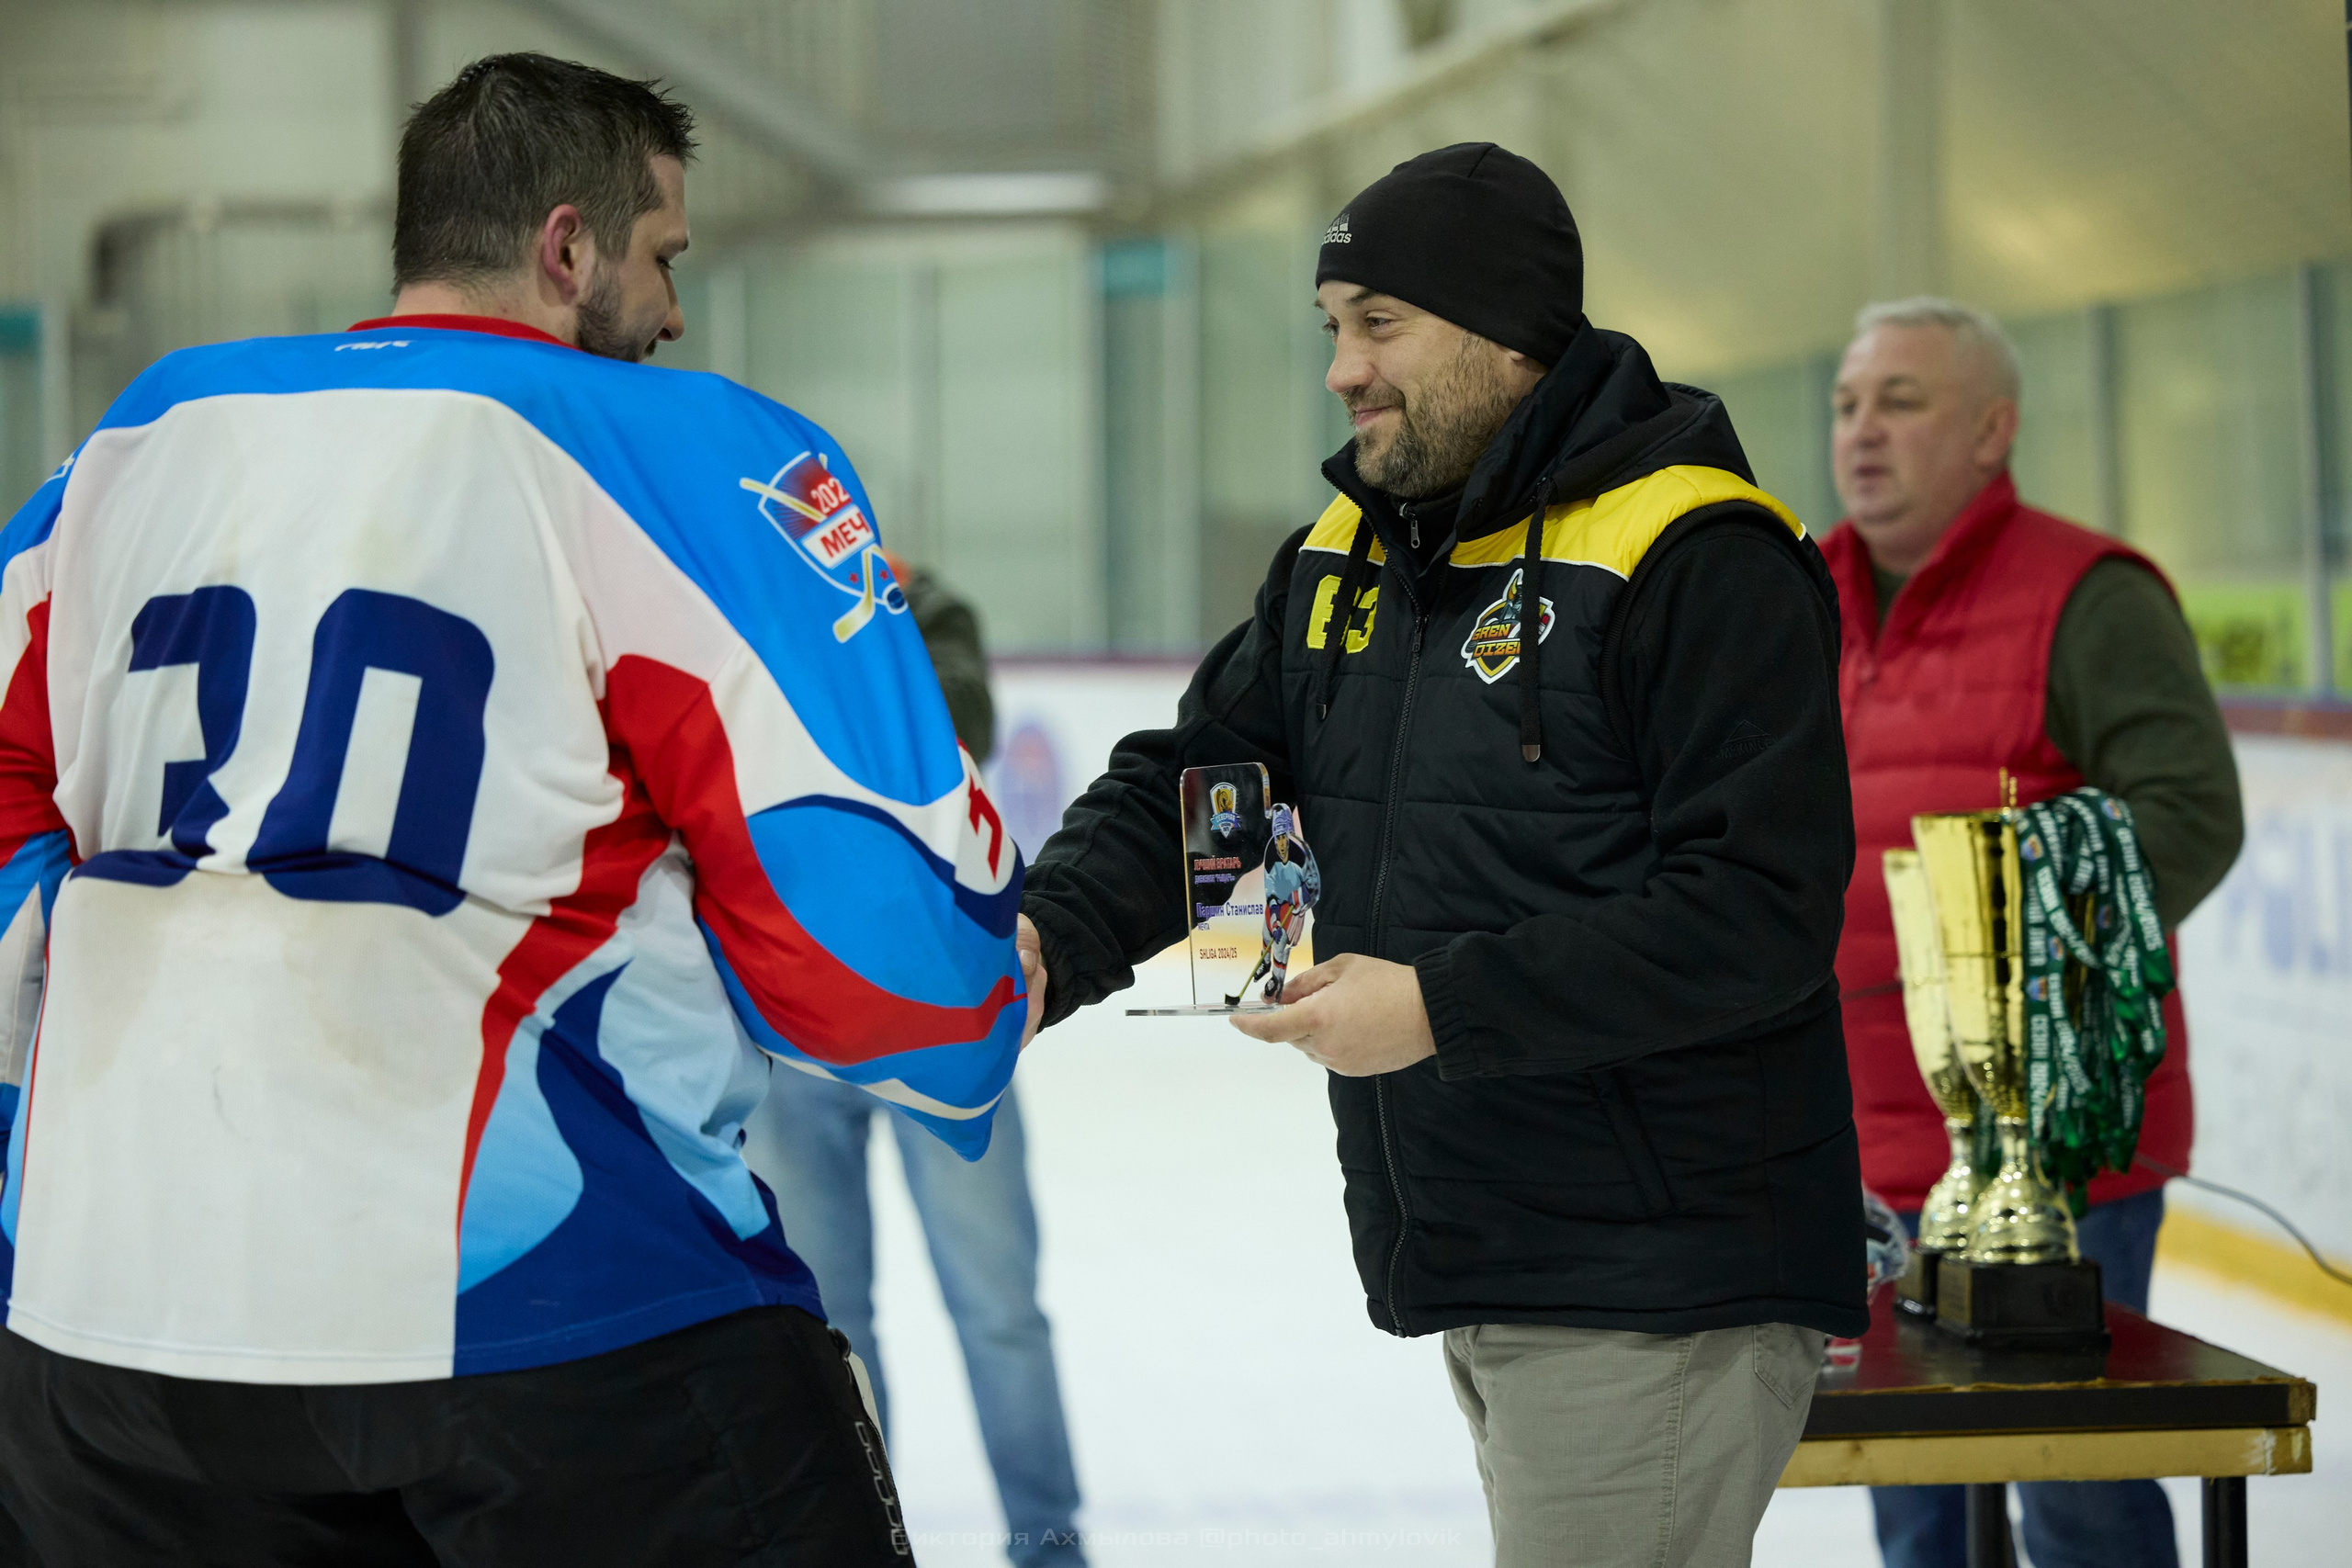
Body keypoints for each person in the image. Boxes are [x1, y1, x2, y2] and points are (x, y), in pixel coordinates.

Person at [0, 53, 1035, 1566]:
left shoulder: (136, 438)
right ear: (568, 248)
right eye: (664, 256)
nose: (673, 313)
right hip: (564, 1336)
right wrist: (1001, 984)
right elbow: (896, 963)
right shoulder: (664, 444)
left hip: (103, 1343)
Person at [1020, 142, 1867, 1568]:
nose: (1342, 370)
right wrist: (1049, 938)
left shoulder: (1695, 552)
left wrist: (1434, 1007)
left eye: (1380, 324)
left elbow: (1756, 912)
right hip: (1489, 1244)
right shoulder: (1348, 553)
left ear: (1507, 333)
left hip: (1657, 1269)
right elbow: (1208, 783)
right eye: (1330, 326)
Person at [1823, 297, 2243, 1568]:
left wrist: (2022, 978)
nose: (1862, 431)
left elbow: (2191, 811)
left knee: (2079, 1497)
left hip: (2059, 1154)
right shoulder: (1790, 597)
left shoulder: (2089, 595)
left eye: (1901, 401)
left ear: (1992, 430)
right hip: (1860, 1140)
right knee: (1910, 1496)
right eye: (1846, 404)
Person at [742, 553, 1088, 1568]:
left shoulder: (922, 606)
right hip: (796, 1032)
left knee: (999, 1311)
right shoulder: (744, 611)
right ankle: (865, 1543)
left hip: (942, 1019)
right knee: (831, 1330)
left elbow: (954, 726)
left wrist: (850, 636)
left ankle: (1049, 1549)